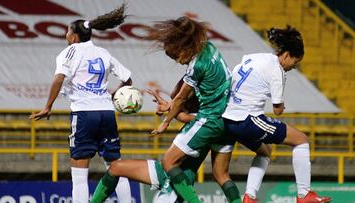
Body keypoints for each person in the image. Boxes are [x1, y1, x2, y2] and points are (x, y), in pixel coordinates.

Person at [90, 16, 241, 203]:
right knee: (115, 168)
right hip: (168, 173)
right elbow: (181, 103)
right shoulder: (209, 50)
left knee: (169, 161)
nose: (178, 61)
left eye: (176, 56)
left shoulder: (204, 118)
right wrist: (172, 106)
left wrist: (166, 121)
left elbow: (181, 97)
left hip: (174, 186)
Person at [29, 3, 133, 203]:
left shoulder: (70, 52)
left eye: (68, 31)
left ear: (74, 36)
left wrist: (48, 106)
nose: (66, 35)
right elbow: (128, 79)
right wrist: (113, 96)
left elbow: (59, 78)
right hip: (106, 112)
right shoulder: (104, 53)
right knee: (116, 167)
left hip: (85, 114)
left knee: (79, 175)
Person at [222, 25, 332, 203]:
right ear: (287, 55)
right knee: (301, 140)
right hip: (247, 120)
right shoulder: (277, 71)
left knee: (265, 152)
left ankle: (250, 197)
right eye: (295, 63)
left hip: (229, 118)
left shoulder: (255, 57)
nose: (293, 67)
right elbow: (278, 110)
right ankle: (304, 194)